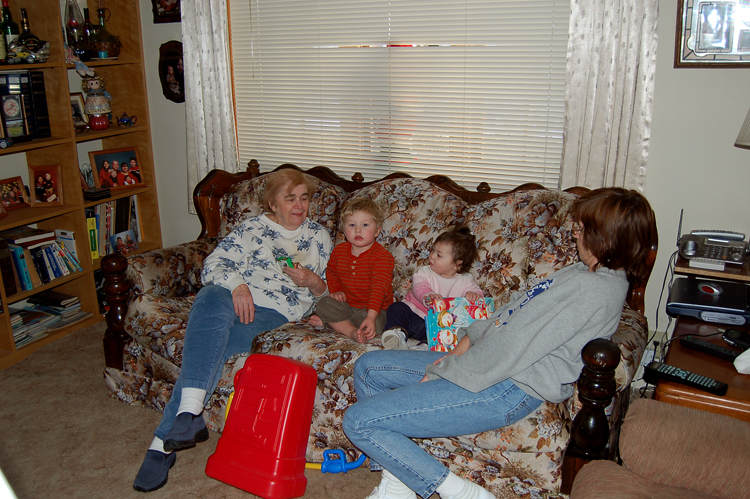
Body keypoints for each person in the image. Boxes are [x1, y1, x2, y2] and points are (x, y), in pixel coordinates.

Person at [342, 187, 656, 499]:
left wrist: (445, 369)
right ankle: (400, 481)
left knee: (358, 421)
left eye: (581, 229)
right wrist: (463, 342)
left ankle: (460, 492)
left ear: (606, 238)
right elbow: (510, 312)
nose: (575, 236)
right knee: (369, 368)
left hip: (505, 386)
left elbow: (512, 346)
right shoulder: (582, 271)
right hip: (488, 366)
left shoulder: (593, 290)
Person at [133, 169, 333, 493]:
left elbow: (330, 295)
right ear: (272, 202)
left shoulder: (319, 237)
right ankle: (188, 414)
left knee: (213, 353)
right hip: (233, 296)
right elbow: (214, 264)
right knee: (210, 294)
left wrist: (314, 284)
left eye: (304, 198)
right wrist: (238, 285)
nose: (299, 205)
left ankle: (163, 442)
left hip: (273, 312)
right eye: (290, 198)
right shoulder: (252, 228)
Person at [381, 226, 483, 350]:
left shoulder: (466, 280)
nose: (432, 256)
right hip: (413, 315)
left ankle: (426, 345)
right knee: (396, 308)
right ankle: (397, 335)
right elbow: (419, 286)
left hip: (434, 326)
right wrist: (428, 294)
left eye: (439, 255)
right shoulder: (425, 272)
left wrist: (474, 295)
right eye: (433, 250)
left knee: (450, 332)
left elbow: (478, 296)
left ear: (457, 264)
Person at [308, 198, 394, 343]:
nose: (358, 230)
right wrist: (336, 291)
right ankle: (351, 331)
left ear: (377, 230)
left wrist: (371, 317)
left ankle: (334, 324)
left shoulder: (383, 257)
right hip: (347, 305)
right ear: (344, 229)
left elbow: (379, 289)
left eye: (365, 225)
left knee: (379, 325)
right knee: (323, 304)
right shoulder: (339, 251)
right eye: (352, 225)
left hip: (374, 310)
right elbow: (332, 272)